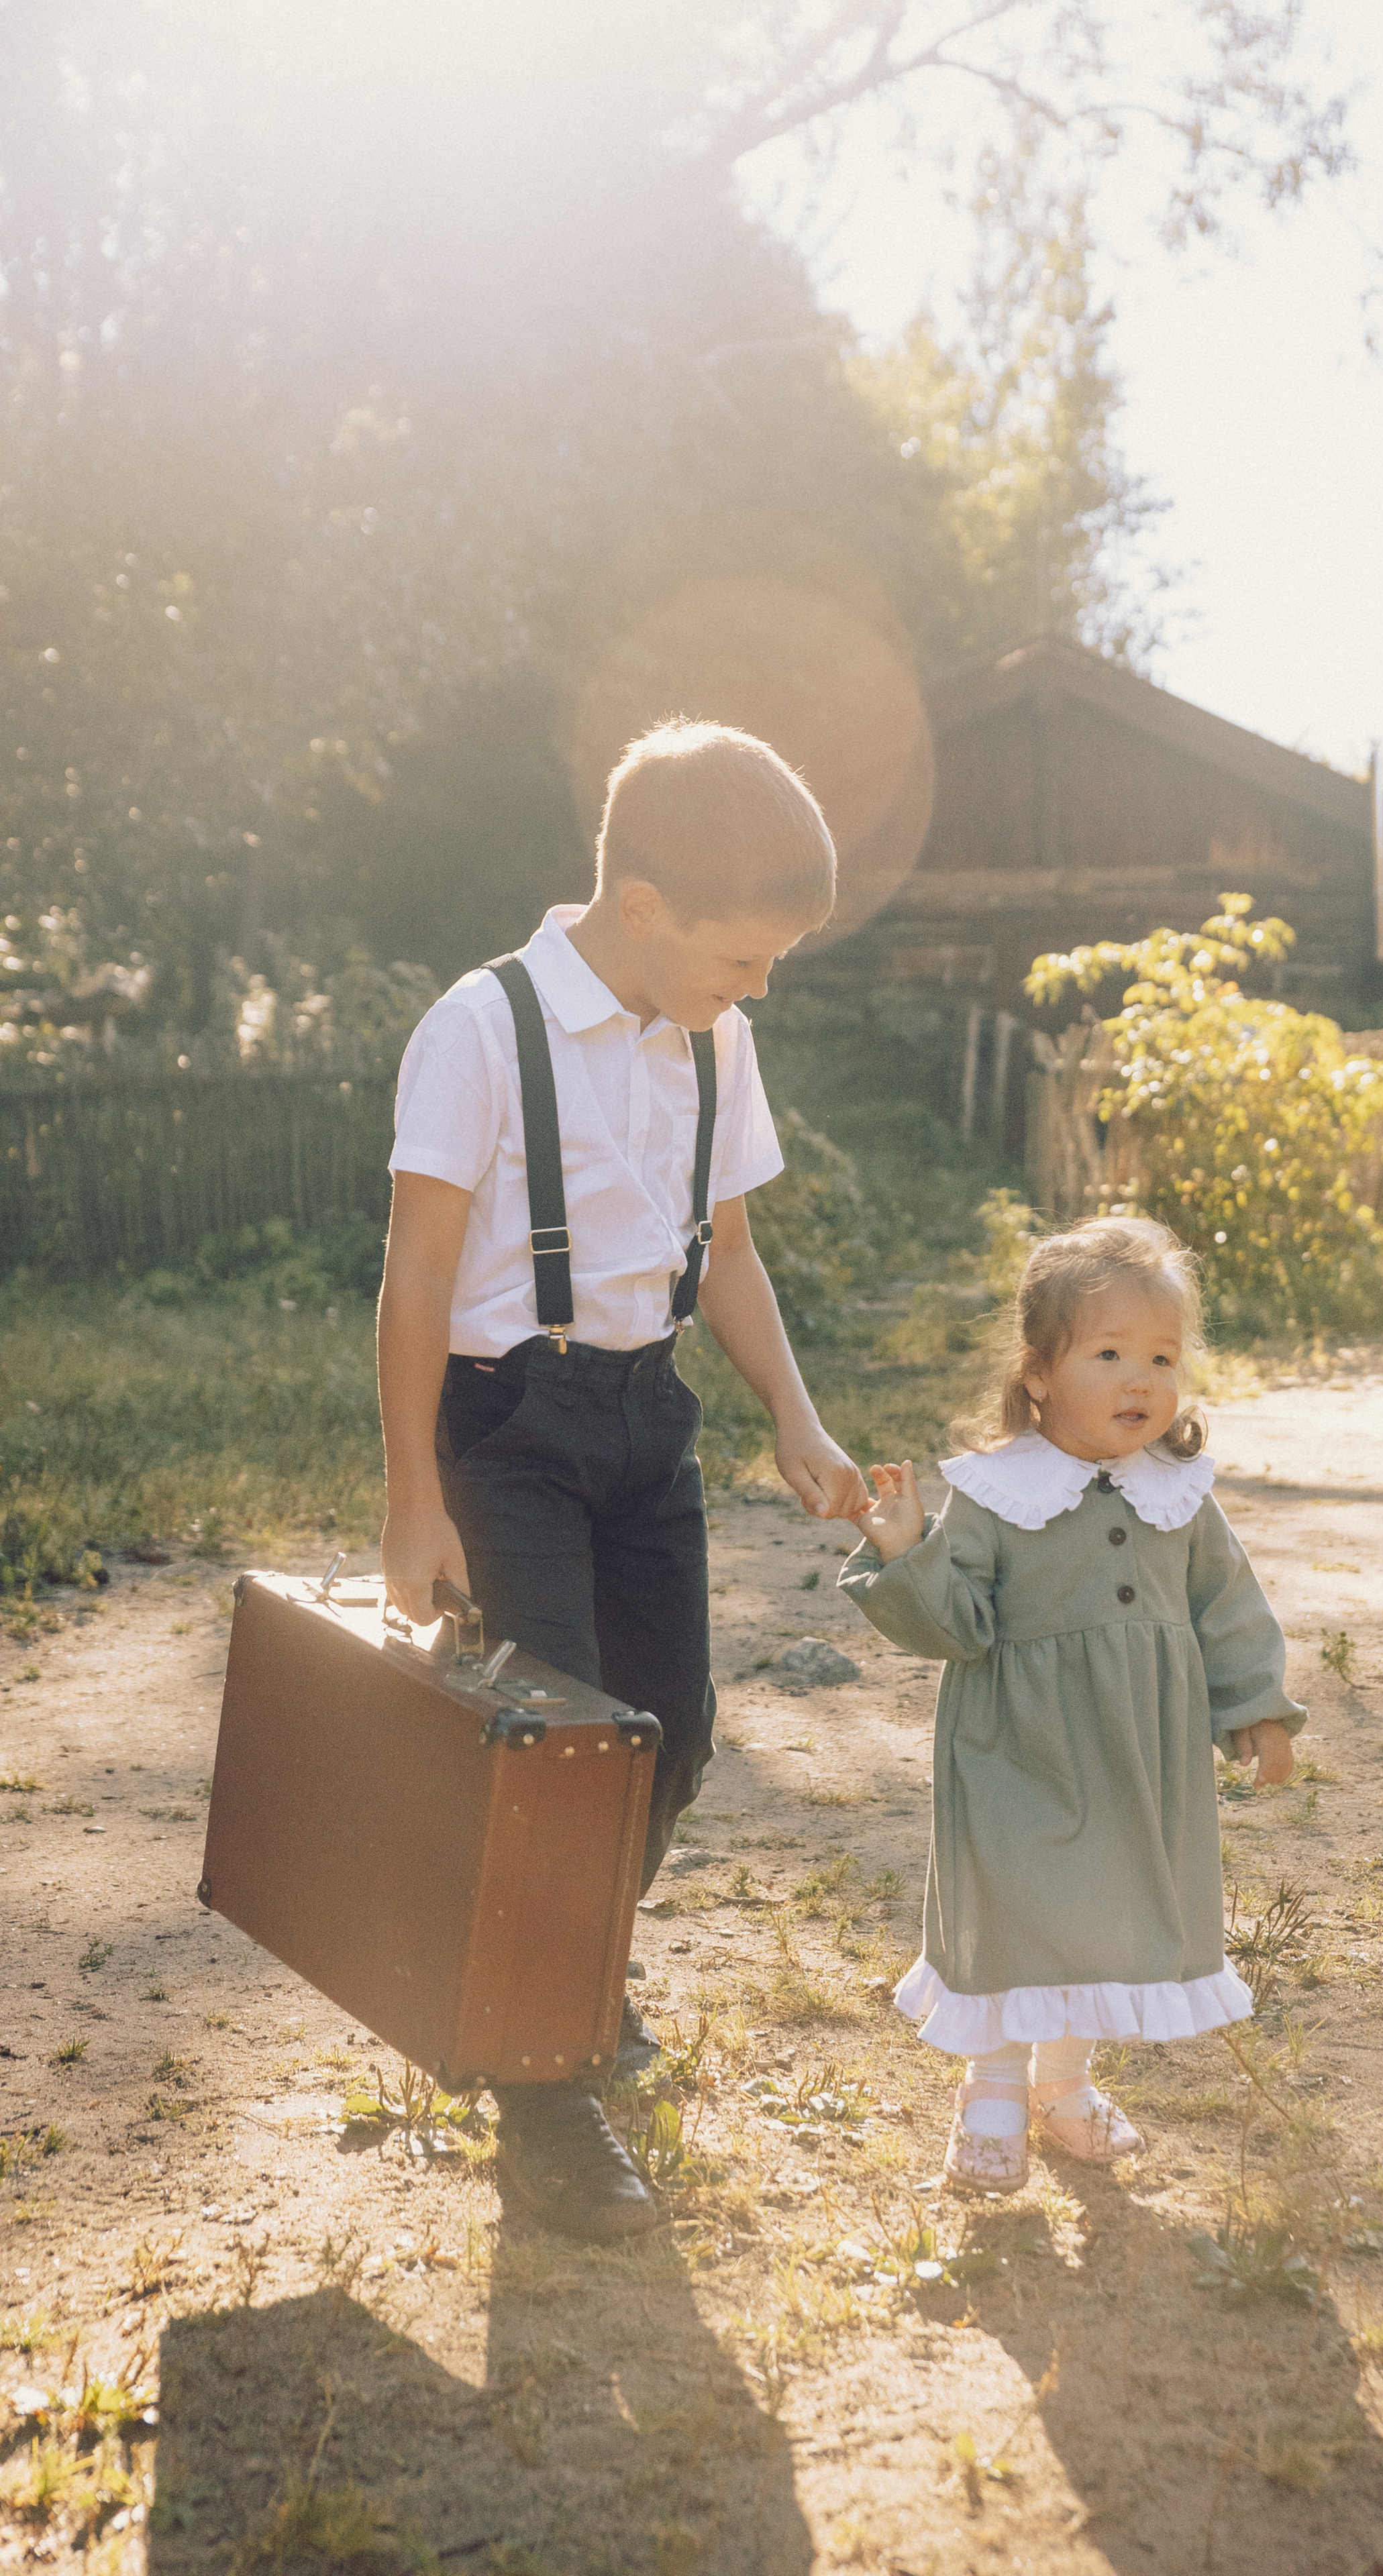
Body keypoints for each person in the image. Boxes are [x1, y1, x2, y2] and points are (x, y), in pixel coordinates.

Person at [378, 717, 870, 2239]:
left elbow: (727, 1256)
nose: (760, 986)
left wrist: (793, 1414)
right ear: (645, 906)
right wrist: (414, 1499)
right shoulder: (481, 1026)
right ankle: (545, 2099)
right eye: (746, 956)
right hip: (508, 1429)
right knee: (555, 1755)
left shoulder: (713, 1035)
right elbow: (416, 1272)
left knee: (672, 1738)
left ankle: (569, 1969)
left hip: (644, 1419)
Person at [839, 1214, 1304, 2193]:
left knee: (1109, 1913)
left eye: (1162, 1357)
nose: (1142, 1380)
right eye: (1109, 1353)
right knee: (1019, 1914)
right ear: (1040, 1373)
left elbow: (1226, 1607)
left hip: (1141, 1752)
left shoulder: (1179, 1492)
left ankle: (1065, 2085)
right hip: (1020, 1752)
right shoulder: (999, 1491)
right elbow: (955, 1625)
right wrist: (907, 1551)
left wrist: (1255, 1708)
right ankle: (994, 2091)